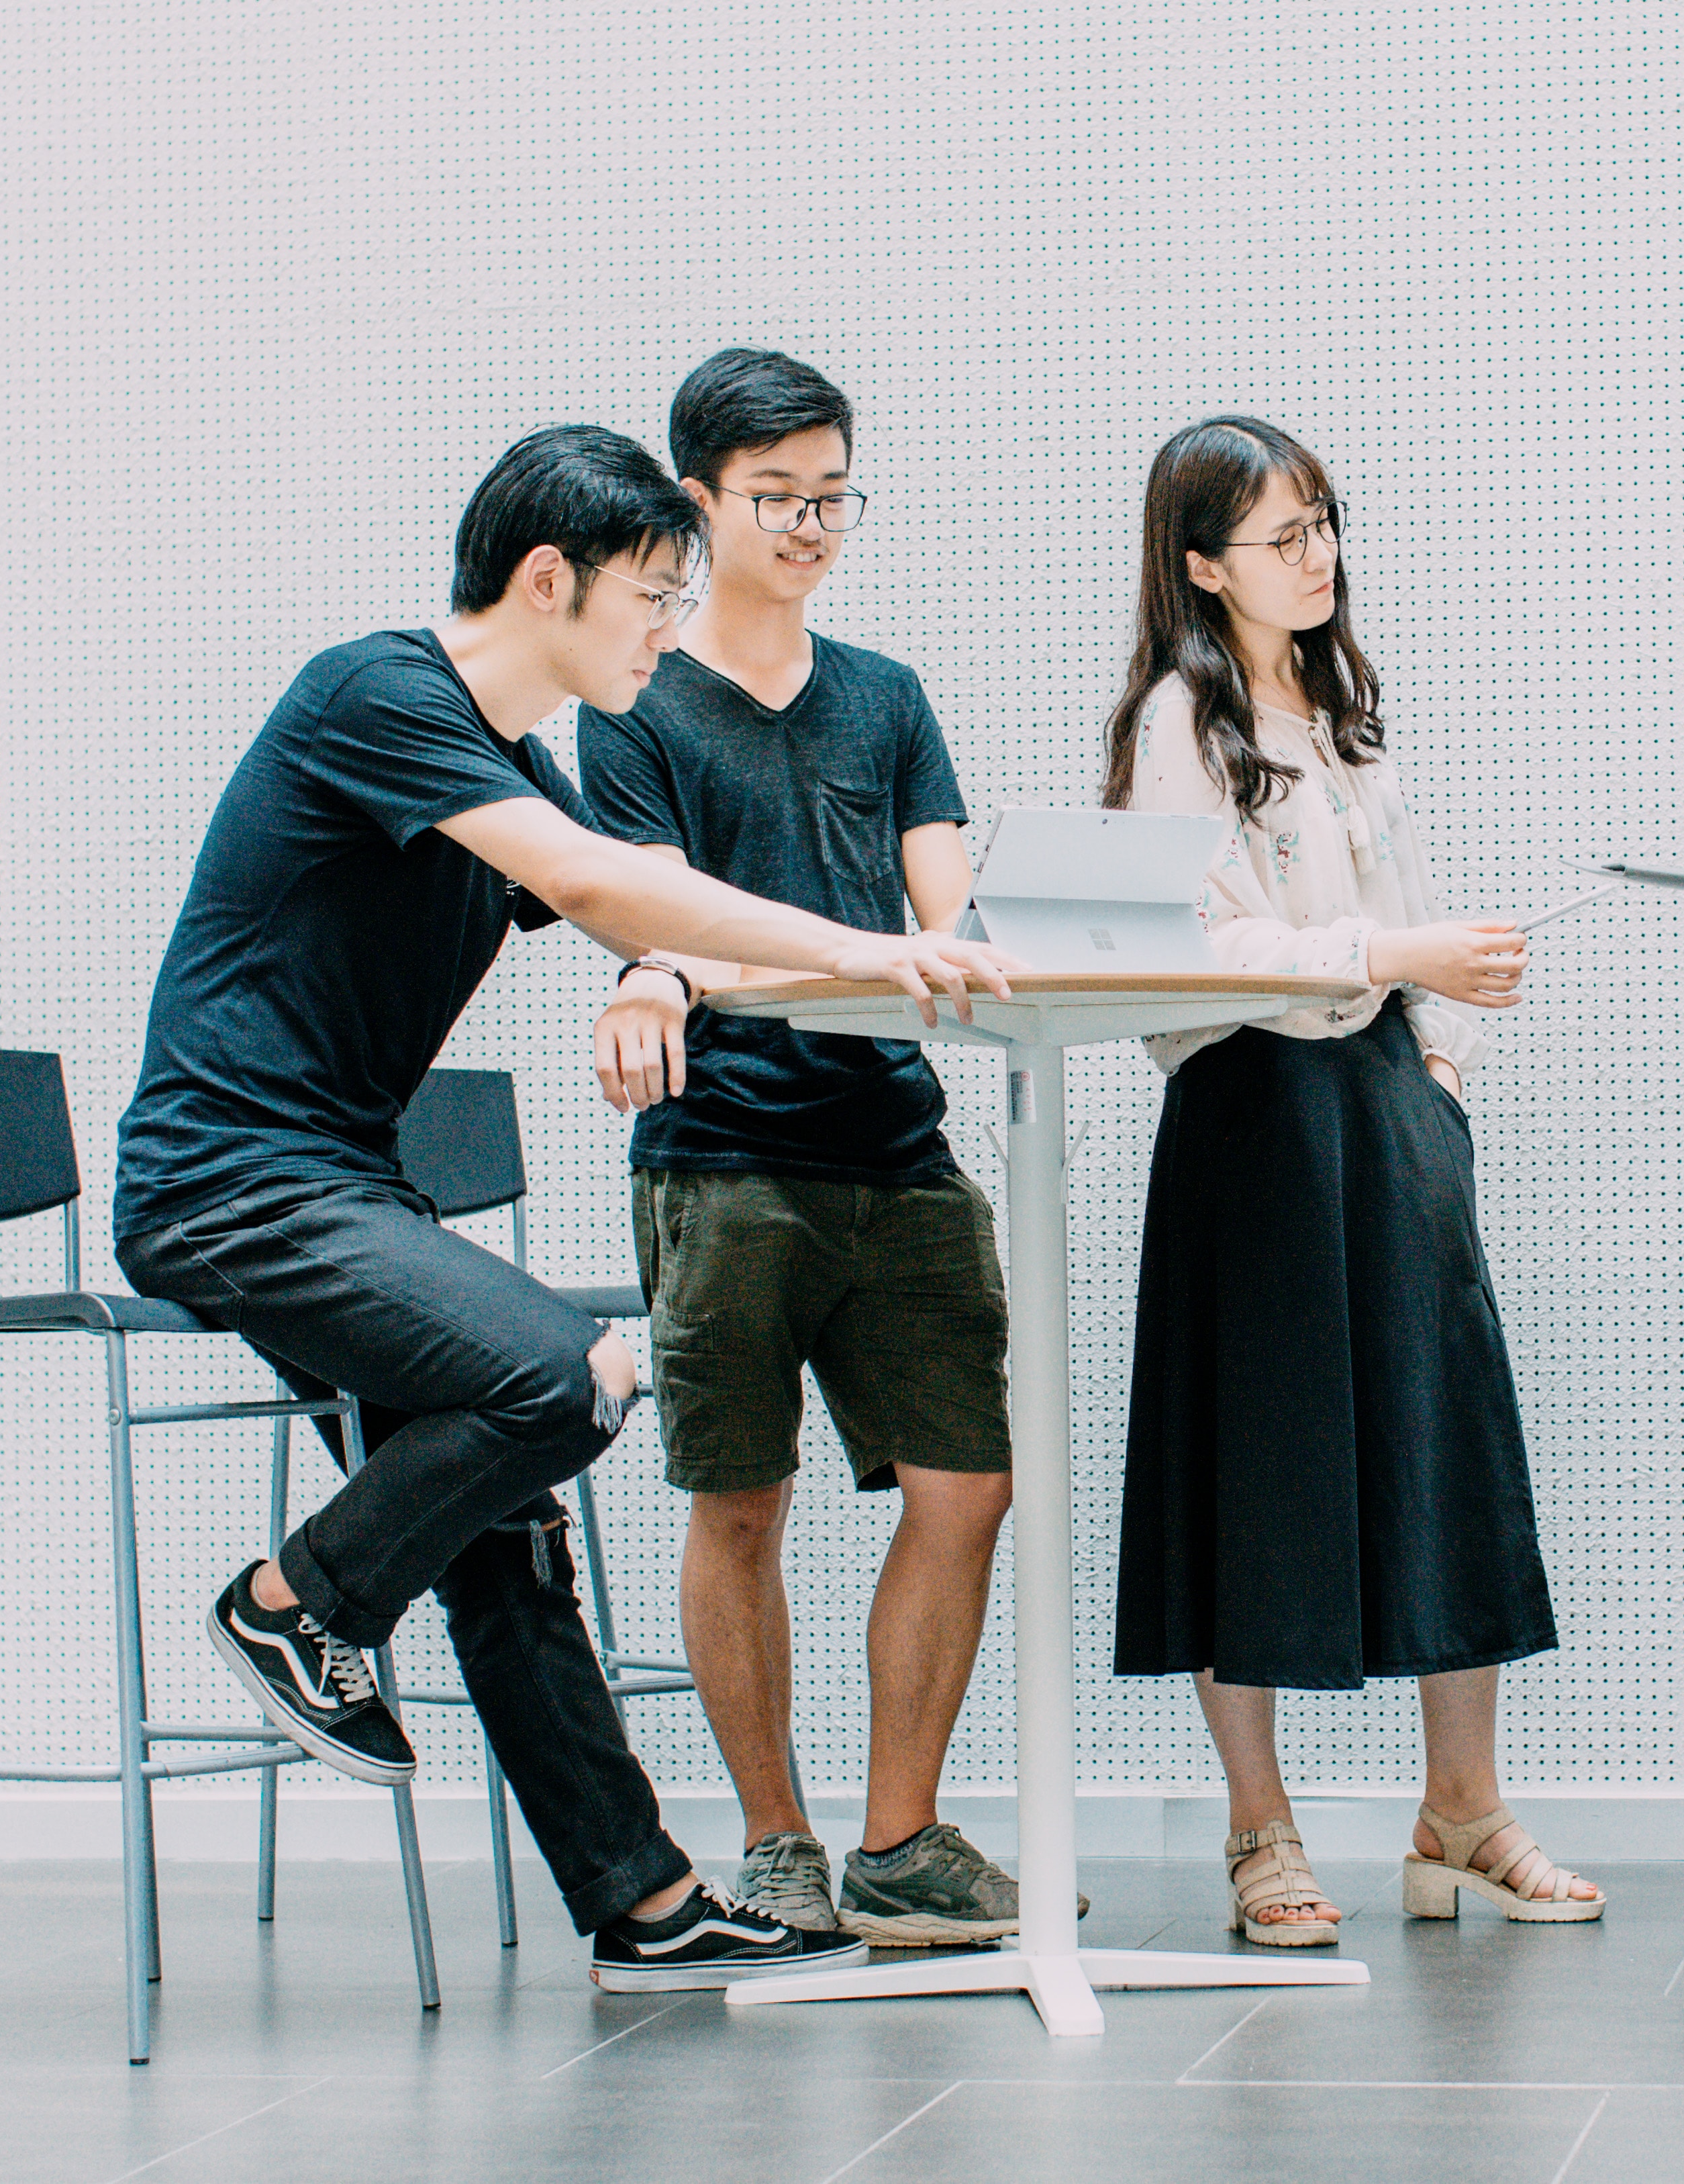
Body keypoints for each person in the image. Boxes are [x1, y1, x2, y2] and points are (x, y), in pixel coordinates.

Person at [113, 424, 1022, 1993]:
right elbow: (605, 888)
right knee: (565, 1373)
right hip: (228, 1179)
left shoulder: (510, 761)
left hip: (338, 1181)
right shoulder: (377, 695)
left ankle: (644, 1901)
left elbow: (644, 899)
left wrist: (708, 959)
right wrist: (867, 950)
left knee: (505, 1531)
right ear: (551, 580)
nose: (671, 637)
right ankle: (293, 1604)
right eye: (653, 602)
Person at [1101, 415, 1599, 1943]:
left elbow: (1415, 909)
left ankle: (1464, 1811)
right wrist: (1391, 962)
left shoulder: (1340, 701)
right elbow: (1191, 950)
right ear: (1200, 565)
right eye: (1279, 535)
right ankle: (1261, 1831)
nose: (1315, 557)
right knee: (1249, 1467)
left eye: (1323, 523)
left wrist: (1435, 1067)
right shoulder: (1175, 724)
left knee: (1443, 1447)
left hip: (1384, 1101)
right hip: (1252, 1116)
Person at [579, 350, 1032, 1946]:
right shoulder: (635, 707)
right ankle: (775, 1841)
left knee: (966, 1484)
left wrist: (996, 929)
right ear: (697, 502)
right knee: (740, 1500)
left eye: (834, 495)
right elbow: (655, 918)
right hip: (723, 1161)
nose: (813, 525)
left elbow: (940, 914)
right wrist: (669, 969)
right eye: (778, 499)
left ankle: (898, 1836)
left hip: (897, 1148)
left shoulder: (886, 696)